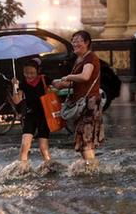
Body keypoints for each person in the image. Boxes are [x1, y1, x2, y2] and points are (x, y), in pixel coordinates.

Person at [59, 30, 104, 167]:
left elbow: (85, 76)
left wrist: (69, 77)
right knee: (83, 138)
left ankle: (92, 170)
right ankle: (90, 167)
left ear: (87, 43)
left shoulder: (90, 58)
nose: (75, 43)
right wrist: (60, 84)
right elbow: (79, 82)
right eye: (73, 40)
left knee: (86, 139)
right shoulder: (80, 59)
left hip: (89, 103)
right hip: (81, 103)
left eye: (78, 40)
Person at [11, 58, 53, 172]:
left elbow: (56, 86)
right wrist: (15, 87)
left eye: (32, 73)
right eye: (26, 73)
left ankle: (49, 167)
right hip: (30, 115)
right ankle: (22, 170)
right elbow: (16, 101)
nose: (29, 76)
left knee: (43, 147)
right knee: (24, 146)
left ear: (37, 71)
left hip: (44, 116)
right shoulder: (23, 84)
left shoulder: (44, 79)